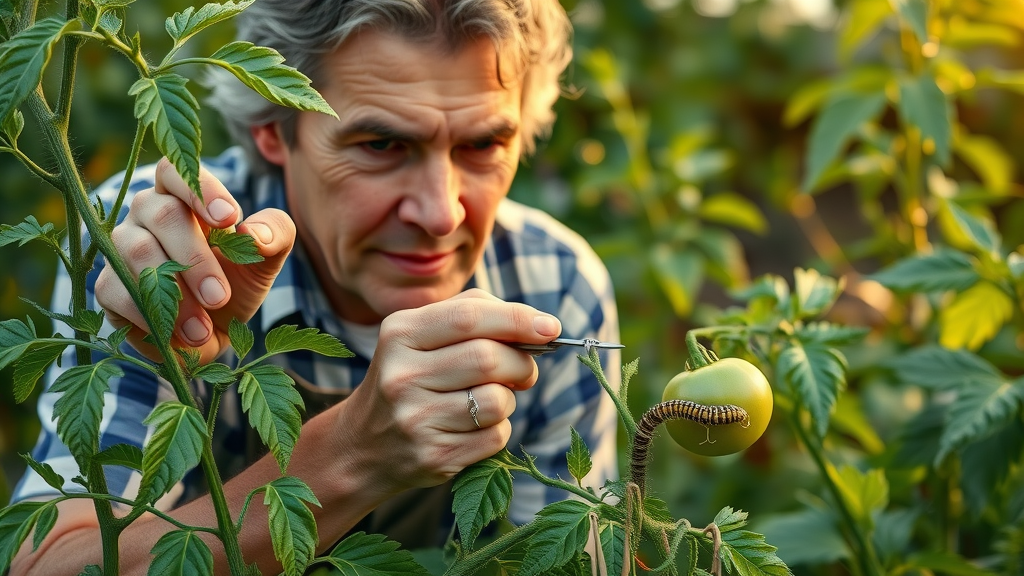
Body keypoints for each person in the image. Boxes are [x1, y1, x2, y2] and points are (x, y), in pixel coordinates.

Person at [9, 0, 620, 574]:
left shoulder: (553, 284)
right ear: (274, 129)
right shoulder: (162, 246)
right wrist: (350, 456)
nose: (441, 214)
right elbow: (50, 561)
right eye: (382, 144)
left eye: (484, 144)